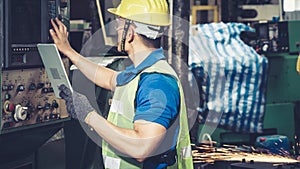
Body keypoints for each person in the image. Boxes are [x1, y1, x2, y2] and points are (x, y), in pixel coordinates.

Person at [49, 0, 193, 168]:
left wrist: (88, 115)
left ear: (130, 32)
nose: (117, 30)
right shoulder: (140, 72)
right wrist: (68, 51)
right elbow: (109, 78)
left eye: (119, 25)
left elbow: (141, 148)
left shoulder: (157, 82)